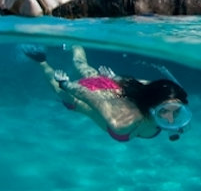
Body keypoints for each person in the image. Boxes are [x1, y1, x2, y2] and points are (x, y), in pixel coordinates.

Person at [23, 45, 191, 142]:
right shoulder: (122, 122)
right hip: (90, 95)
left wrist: (116, 78)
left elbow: (148, 85)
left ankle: (74, 43)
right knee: (59, 91)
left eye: (175, 111)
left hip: (110, 86)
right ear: (152, 107)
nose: (171, 119)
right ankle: (42, 61)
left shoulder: (161, 99)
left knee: (81, 65)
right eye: (164, 111)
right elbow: (93, 99)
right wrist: (66, 84)